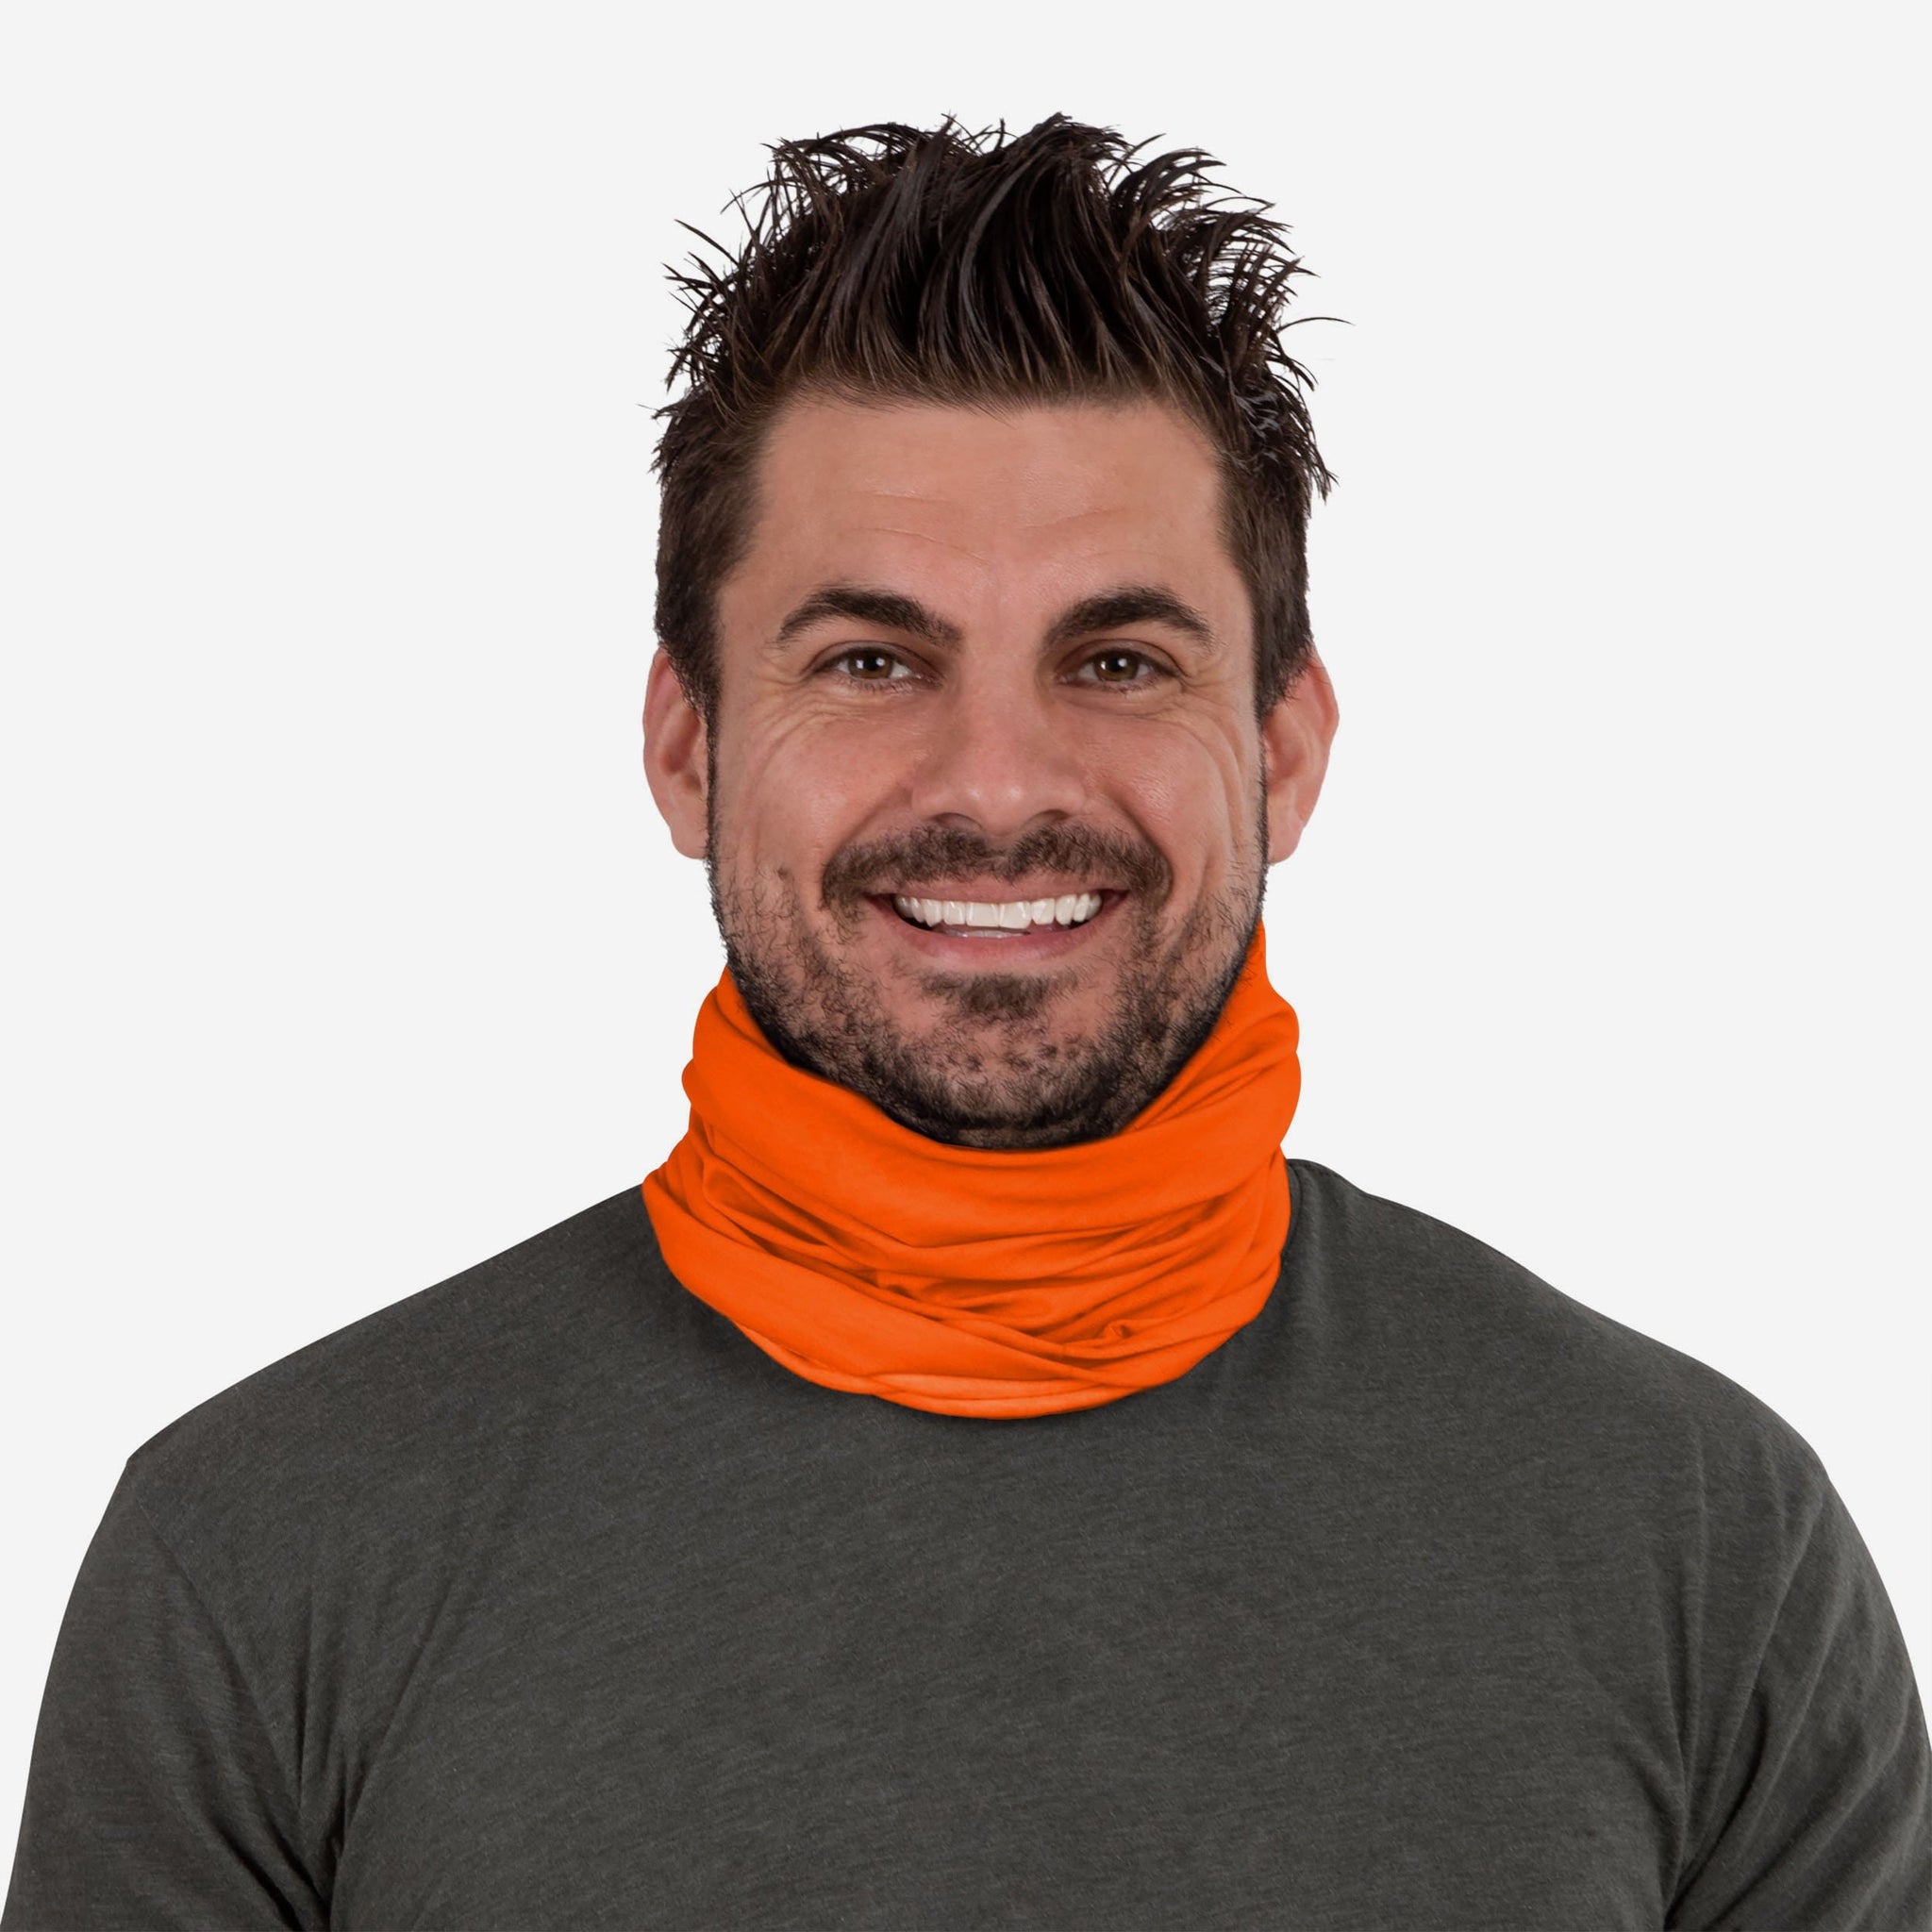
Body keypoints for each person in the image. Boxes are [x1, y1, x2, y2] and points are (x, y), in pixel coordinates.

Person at [4, 112, 1926, 1930]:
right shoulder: (259, 1559)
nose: (998, 783)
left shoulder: (1701, 1545)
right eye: (870, 659)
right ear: (686, 749)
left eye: (1118, 659)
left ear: (1284, 749)